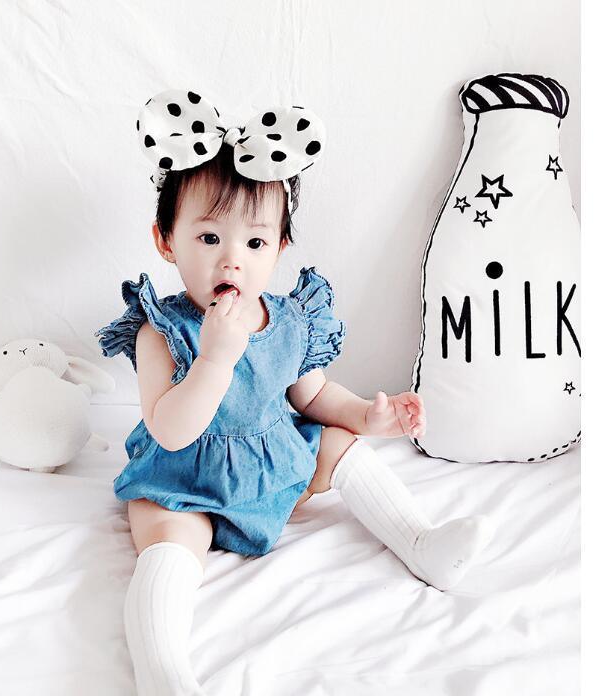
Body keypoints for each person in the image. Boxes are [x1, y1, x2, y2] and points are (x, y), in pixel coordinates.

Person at [95, 89, 496, 696]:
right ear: (166, 240)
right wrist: (215, 358)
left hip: (269, 469)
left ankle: (422, 542)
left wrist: (366, 416)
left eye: (254, 243)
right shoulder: (163, 330)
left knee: (336, 444)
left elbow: (312, 396)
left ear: (279, 248)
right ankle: (163, 671)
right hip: (182, 479)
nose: (232, 260)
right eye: (209, 238)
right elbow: (169, 429)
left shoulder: (288, 321)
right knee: (168, 545)